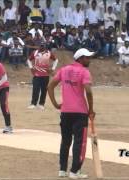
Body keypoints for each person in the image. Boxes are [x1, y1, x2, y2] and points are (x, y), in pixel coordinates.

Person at [47, 48, 95, 179]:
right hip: (80, 112)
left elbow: (50, 86)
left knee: (65, 141)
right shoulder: (84, 71)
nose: (89, 60)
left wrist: (56, 104)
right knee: (79, 142)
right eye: (87, 57)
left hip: (66, 111)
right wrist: (91, 109)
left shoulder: (64, 70)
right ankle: (75, 171)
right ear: (80, 58)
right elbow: (89, 92)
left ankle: (62, 170)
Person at [27, 42, 58, 110]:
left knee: (44, 90)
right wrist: (31, 68)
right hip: (37, 75)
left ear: (45, 46)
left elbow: (56, 60)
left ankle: (41, 104)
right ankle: (33, 104)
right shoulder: (35, 52)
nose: (42, 47)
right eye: (41, 46)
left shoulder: (49, 53)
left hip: (45, 75)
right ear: (39, 46)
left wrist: (52, 69)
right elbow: (28, 60)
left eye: (43, 46)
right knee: (35, 89)